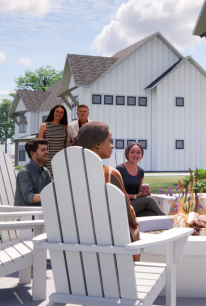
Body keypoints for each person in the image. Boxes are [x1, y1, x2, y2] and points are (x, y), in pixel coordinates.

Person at [74, 122, 140, 252]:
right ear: (97, 144)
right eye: (109, 141)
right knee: (134, 228)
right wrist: (135, 227)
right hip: (110, 247)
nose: (112, 145)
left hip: (74, 245)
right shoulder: (110, 174)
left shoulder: (68, 174)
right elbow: (128, 213)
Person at [116, 142, 164, 217]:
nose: (135, 155)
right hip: (123, 205)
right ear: (127, 153)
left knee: (152, 214)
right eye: (132, 152)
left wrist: (144, 192)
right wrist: (136, 196)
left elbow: (138, 191)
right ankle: (169, 221)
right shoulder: (120, 169)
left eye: (138, 152)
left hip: (135, 205)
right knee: (149, 200)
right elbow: (118, 193)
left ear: (141, 155)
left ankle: (166, 222)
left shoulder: (140, 171)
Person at [14, 138, 52, 206]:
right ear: (33, 153)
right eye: (43, 150)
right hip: (25, 213)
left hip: (40, 212)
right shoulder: (24, 172)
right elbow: (29, 197)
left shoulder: (45, 172)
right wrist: (51, 194)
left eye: (47, 149)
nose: (47, 152)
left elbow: (51, 190)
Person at [38, 104, 69, 176]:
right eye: (57, 111)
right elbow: (39, 145)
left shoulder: (64, 127)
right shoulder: (44, 126)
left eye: (61, 112)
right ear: (53, 112)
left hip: (61, 158)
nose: (59, 114)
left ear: (63, 115)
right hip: (47, 158)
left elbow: (66, 143)